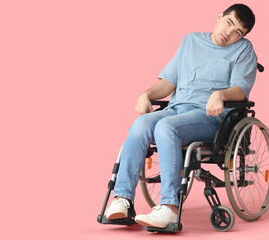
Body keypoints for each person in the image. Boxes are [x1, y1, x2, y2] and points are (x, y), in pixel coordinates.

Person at [105, 3, 257, 228]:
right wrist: (145, 94)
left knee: (166, 128)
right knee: (141, 124)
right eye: (229, 23)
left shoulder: (244, 50)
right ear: (219, 16)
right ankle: (122, 199)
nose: (230, 33)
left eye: (239, 32)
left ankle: (169, 206)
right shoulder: (191, 41)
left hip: (211, 117)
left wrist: (220, 95)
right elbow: (169, 82)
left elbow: (240, 89)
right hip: (175, 110)